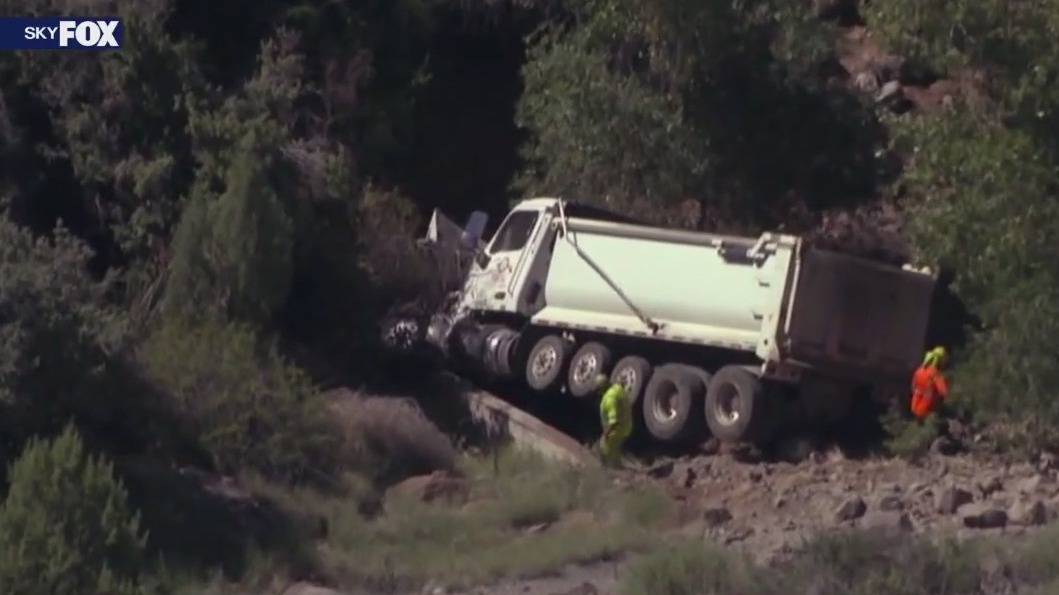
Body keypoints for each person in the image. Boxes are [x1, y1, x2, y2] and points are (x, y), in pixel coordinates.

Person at [596, 374, 632, 467]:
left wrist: (605, 435)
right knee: (614, 450)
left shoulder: (609, 399)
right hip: (626, 426)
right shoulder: (617, 389)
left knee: (603, 448)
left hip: (617, 429)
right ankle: (616, 466)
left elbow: (613, 422)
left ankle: (607, 470)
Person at [910, 346, 950, 420]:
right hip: (928, 412)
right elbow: (944, 392)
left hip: (914, 409)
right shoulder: (935, 374)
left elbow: (913, 387)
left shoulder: (919, 371)